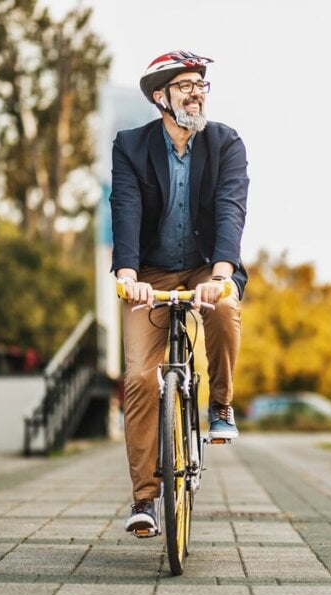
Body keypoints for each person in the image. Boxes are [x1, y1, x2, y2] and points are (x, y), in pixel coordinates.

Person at [110, 50, 249, 536]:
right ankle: (145, 499)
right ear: (160, 97)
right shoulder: (130, 145)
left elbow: (231, 206)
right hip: (148, 272)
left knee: (224, 306)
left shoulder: (225, 142)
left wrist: (223, 272)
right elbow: (124, 206)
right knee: (141, 378)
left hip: (205, 267)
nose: (196, 91)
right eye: (186, 84)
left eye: (201, 85)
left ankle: (222, 404)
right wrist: (128, 274)